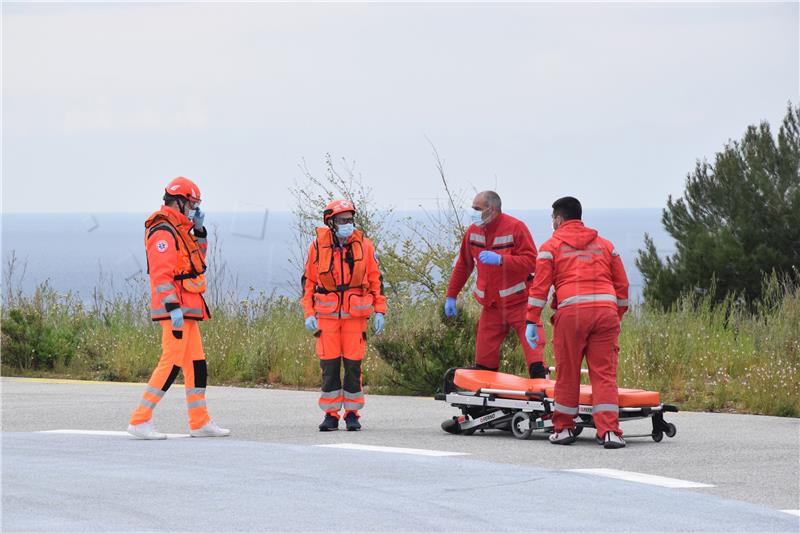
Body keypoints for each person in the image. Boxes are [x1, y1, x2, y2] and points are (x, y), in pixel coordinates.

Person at [127, 177, 230, 440]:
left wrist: (200, 231)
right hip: (177, 308)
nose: (194, 209)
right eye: (192, 204)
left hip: (190, 306)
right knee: (171, 362)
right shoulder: (163, 230)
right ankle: (140, 419)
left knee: (196, 364)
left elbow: (198, 261)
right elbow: (161, 275)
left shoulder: (181, 230)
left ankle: (199, 421)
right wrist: (172, 306)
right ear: (180, 202)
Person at [525, 196, 629, 449]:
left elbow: (539, 288)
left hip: (571, 315)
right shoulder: (605, 246)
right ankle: (609, 432)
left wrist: (531, 319)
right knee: (604, 375)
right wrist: (616, 315)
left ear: (558, 219)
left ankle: (564, 429)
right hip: (606, 314)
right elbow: (622, 287)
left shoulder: (551, 247)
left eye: (553, 220)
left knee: (567, 373)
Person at [301, 199, 387, 431]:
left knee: (352, 367)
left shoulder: (365, 246)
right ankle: (330, 414)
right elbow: (308, 283)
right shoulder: (317, 247)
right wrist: (309, 313)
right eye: (342, 221)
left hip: (355, 317)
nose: (347, 225)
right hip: (327, 318)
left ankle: (352, 413)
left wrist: (380, 310)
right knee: (329, 368)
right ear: (330, 223)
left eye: (350, 220)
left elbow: (376, 280)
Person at [445, 191, 547, 378]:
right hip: (491, 306)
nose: (473, 212)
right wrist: (451, 295)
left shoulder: (516, 227)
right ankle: (485, 397)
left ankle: (541, 387)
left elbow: (533, 262)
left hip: (520, 303)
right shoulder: (472, 232)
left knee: (535, 354)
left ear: (491, 210)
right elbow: (463, 265)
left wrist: (502, 260)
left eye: (477, 208)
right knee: (484, 359)